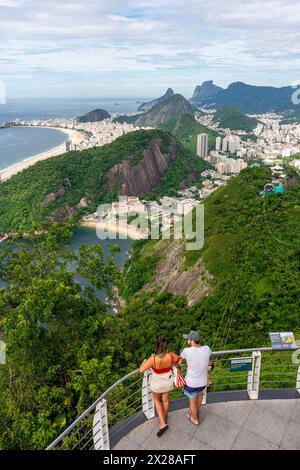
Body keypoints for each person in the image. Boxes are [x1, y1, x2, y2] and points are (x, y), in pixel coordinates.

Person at [139, 336, 180, 437]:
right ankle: (164, 417)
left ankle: (162, 423)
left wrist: (144, 361)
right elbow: (178, 359)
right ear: (167, 346)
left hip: (157, 383)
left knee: (157, 400)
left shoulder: (152, 359)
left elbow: (141, 370)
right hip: (168, 381)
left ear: (157, 346)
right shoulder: (171, 355)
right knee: (165, 400)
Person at [180, 330, 212, 426]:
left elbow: (180, 358)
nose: (187, 341)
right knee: (199, 395)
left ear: (192, 340)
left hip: (191, 383)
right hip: (203, 382)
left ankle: (194, 419)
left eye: (188, 339)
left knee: (192, 401)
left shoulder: (186, 351)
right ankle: (195, 413)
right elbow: (208, 355)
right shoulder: (207, 348)